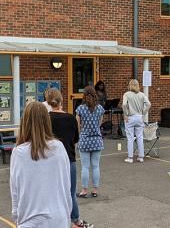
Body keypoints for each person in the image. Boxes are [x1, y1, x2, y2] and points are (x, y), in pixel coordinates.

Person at [10, 102, 72, 228]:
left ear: (25, 122)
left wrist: (16, 215)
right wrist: (67, 213)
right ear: (47, 121)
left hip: (29, 219)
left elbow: (15, 188)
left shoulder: (19, 152)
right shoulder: (59, 147)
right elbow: (66, 184)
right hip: (58, 218)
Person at [47, 89, 93, 228]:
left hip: (50, 160)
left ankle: (53, 220)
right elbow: (75, 139)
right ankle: (76, 220)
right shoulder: (71, 118)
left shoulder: (45, 118)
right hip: (69, 159)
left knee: (52, 192)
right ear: (61, 101)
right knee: (71, 192)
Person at [76, 86, 105, 198]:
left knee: (85, 167)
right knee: (96, 166)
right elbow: (99, 124)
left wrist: (80, 135)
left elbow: (77, 126)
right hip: (97, 140)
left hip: (84, 140)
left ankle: (84, 190)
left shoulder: (80, 109)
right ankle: (95, 190)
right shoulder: (100, 109)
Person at [122, 79, 151, 164]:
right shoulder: (142, 95)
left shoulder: (127, 94)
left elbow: (124, 104)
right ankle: (141, 157)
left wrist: (126, 114)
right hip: (139, 117)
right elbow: (149, 104)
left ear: (130, 85)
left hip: (130, 117)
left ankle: (130, 157)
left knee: (130, 138)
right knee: (140, 137)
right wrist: (144, 112)